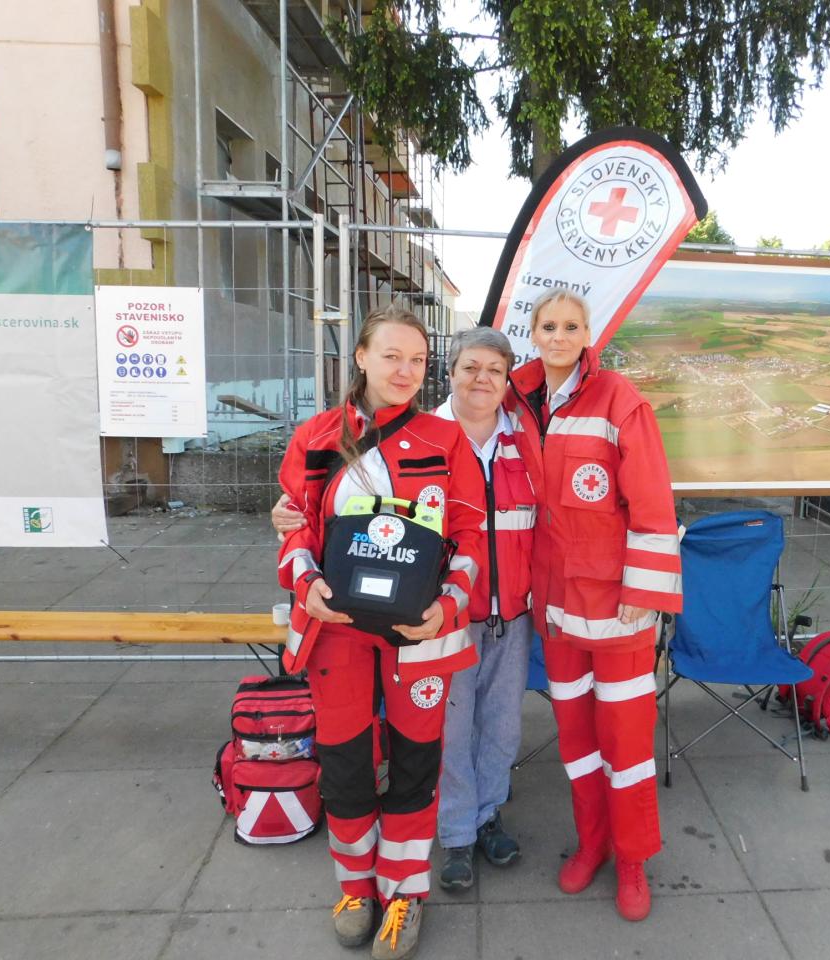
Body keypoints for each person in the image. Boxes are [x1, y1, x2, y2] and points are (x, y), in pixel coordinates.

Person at [276, 327, 539, 892]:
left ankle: (402, 889)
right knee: (345, 765)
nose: (405, 370)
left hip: (422, 636)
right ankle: (354, 888)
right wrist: (307, 583)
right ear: (361, 356)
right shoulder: (316, 436)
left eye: (416, 359)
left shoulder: (444, 439)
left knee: (417, 765)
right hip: (337, 633)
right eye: (391, 356)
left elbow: (468, 534)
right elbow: (297, 526)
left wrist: (448, 604)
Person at [508, 288, 683, 922]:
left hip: (616, 611)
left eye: (570, 326)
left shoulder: (620, 401)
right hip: (556, 608)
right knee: (578, 740)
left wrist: (645, 593)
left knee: (626, 743)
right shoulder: (516, 399)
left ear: (588, 335)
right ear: (533, 332)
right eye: (548, 326)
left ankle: (632, 860)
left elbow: (653, 503)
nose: (558, 336)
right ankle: (593, 844)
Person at [431, 327, 537, 890]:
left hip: (512, 613)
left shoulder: (525, 439)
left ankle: (488, 814)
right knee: (450, 729)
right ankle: (455, 835)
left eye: (495, 370)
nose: (482, 379)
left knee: (501, 725)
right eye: (471, 367)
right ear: (450, 372)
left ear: (506, 380)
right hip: (445, 618)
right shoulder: (422, 439)